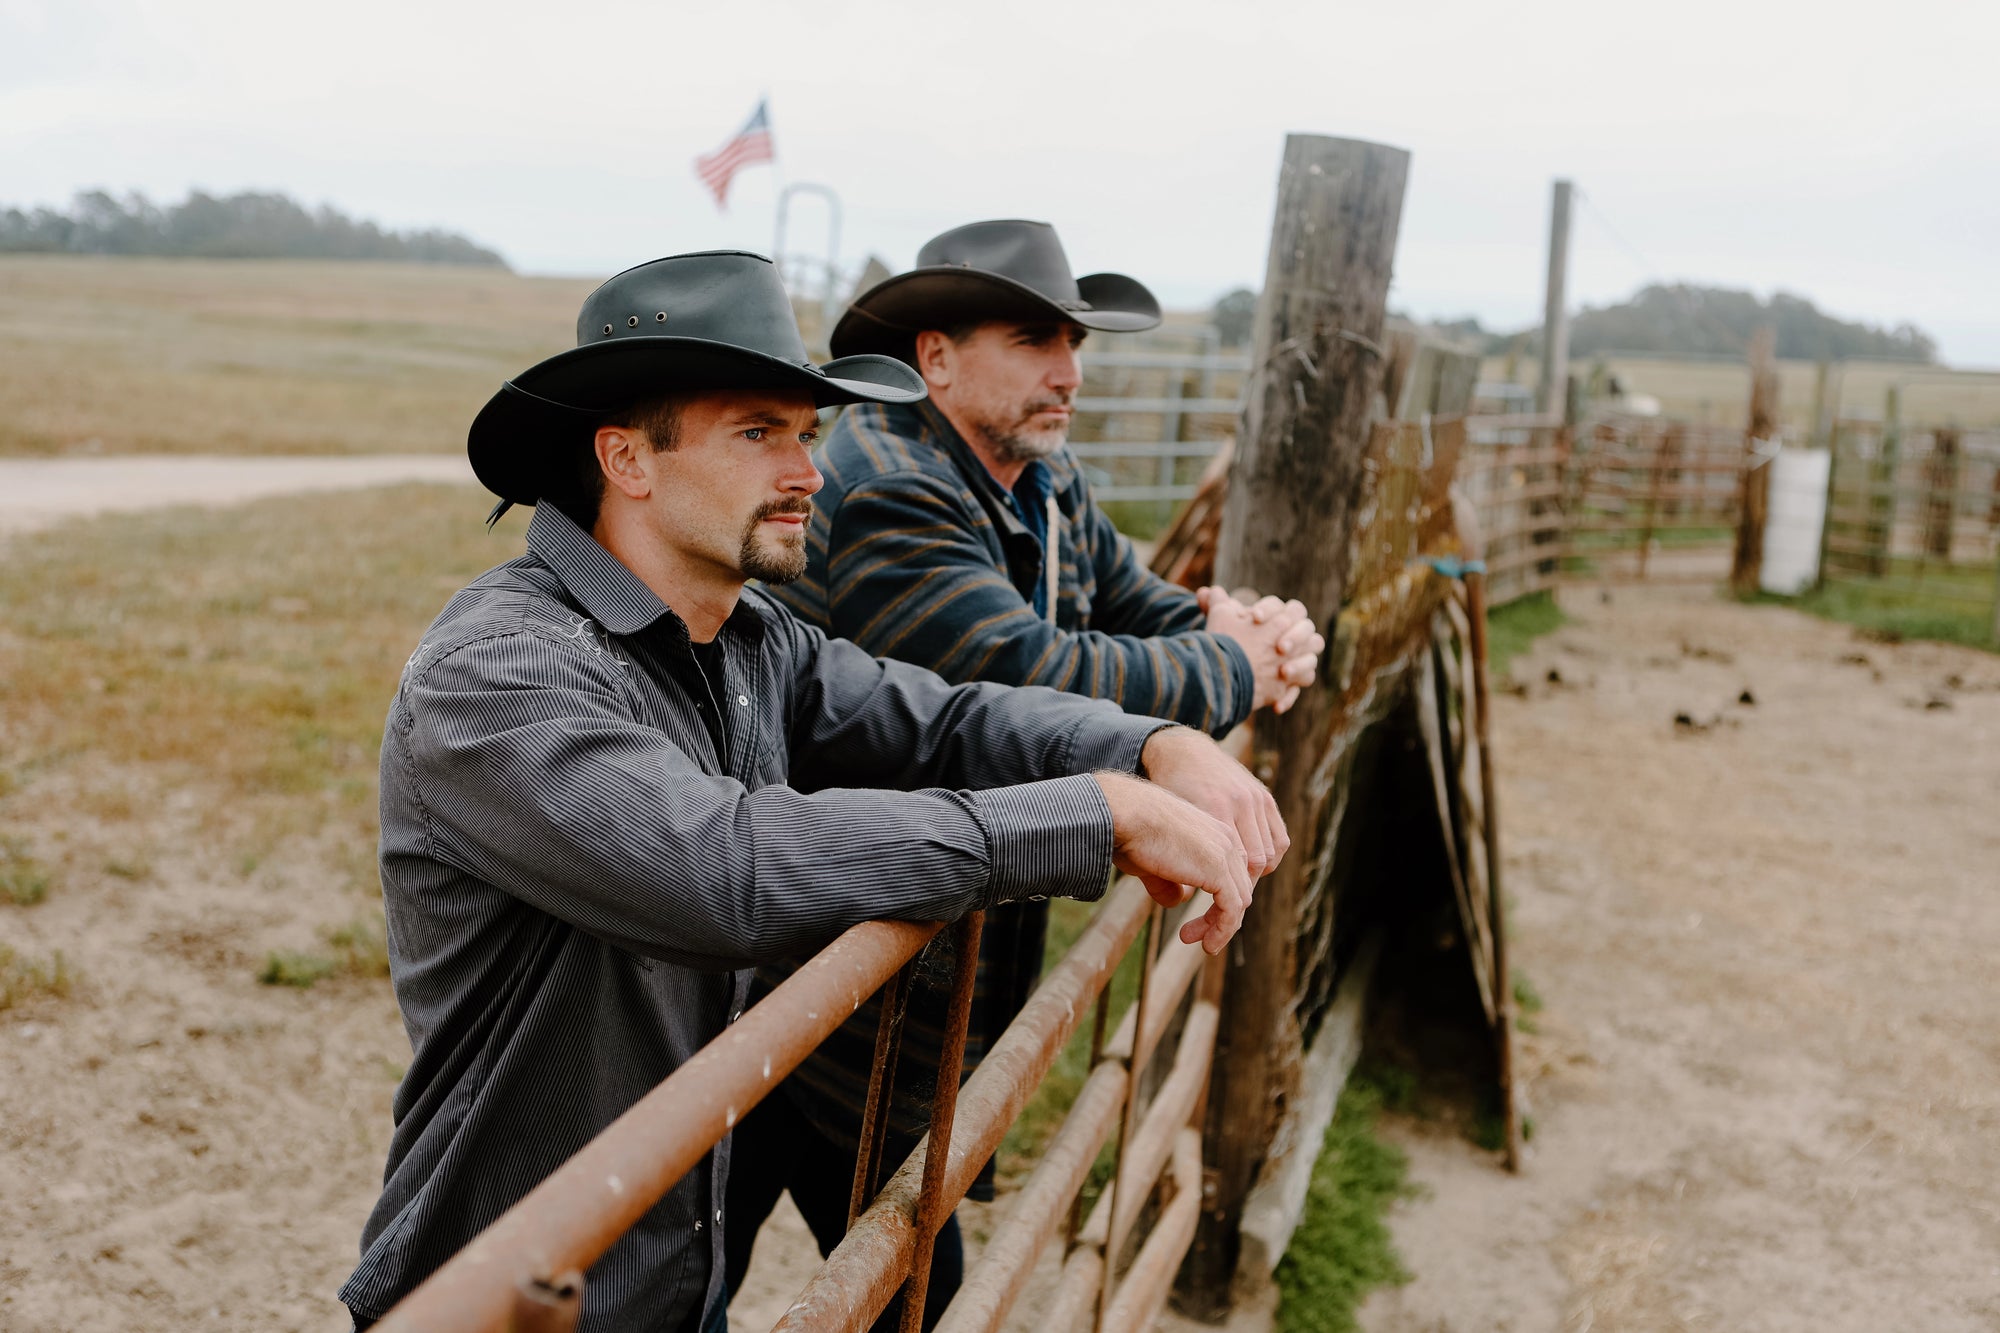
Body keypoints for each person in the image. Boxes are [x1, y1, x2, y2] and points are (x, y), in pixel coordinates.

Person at [336, 250, 1285, 1333]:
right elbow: (720, 867)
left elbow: (939, 717)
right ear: (626, 460)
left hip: (661, 1266)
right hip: (505, 1293)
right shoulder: (502, 670)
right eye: (757, 433)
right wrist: (1091, 813)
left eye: (807, 433)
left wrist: (1154, 740)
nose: (807, 473)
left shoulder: (744, 639)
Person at [732, 222, 1322, 1322]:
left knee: (780, 1247)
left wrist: (1232, 630)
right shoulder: (888, 487)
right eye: (1032, 338)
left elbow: (1137, 610)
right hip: (826, 941)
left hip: (900, 938)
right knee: (877, 1271)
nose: (1069, 369)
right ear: (936, 357)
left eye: (1073, 340)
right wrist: (1230, 670)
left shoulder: (1038, 481)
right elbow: (1034, 667)